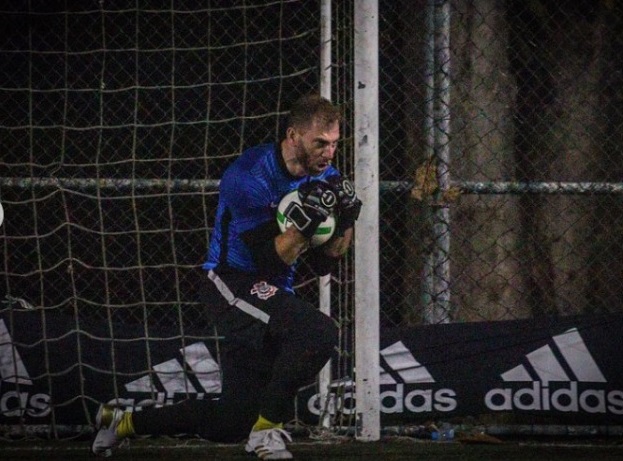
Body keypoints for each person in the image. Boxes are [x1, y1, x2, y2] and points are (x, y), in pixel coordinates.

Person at [91, 94, 362, 459]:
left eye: (333, 144)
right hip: (229, 283)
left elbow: (327, 264)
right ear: (294, 135)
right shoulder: (249, 175)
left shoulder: (327, 177)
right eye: (320, 144)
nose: (328, 154)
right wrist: (306, 225)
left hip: (269, 292)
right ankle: (268, 433)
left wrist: (345, 220)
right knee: (318, 331)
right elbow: (269, 260)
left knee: (230, 421)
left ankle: (121, 422)